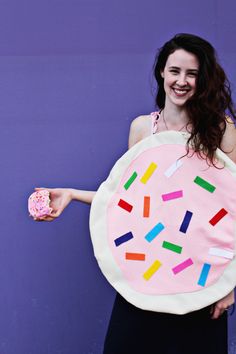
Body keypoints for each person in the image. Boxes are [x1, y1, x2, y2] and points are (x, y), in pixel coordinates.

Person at [33, 33, 236, 353]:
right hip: (146, 276)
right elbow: (131, 203)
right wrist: (71, 194)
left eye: (192, 74)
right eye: (175, 71)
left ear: (203, 78)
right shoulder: (143, 129)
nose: (182, 81)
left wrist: (230, 287)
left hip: (201, 281)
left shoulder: (220, 130)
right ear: (161, 72)